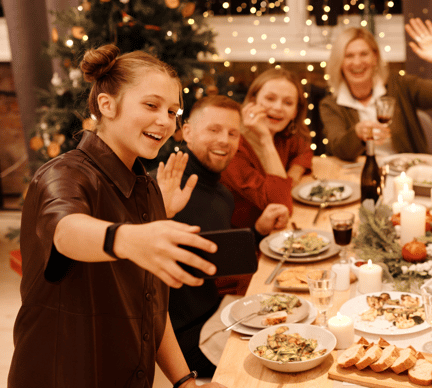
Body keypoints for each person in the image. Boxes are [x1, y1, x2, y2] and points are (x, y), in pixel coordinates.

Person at [9, 44, 225, 388]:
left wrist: (183, 381)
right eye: (151, 105)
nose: (165, 121)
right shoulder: (63, 175)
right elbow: (66, 231)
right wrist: (127, 238)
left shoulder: (147, 188)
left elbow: (151, 304)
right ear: (107, 105)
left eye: (173, 111)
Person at [163, 95, 289, 378]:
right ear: (188, 132)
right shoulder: (166, 190)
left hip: (219, 312)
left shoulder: (219, 192)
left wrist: (258, 232)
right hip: (185, 339)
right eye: (214, 130)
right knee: (283, 356)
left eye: (233, 133)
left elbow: (216, 254)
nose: (225, 140)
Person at [319, 18, 432, 161]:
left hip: (407, 172)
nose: (357, 62)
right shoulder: (330, 105)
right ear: (340, 62)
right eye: (349, 56)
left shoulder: (401, 85)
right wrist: (357, 134)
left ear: (375, 58)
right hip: (362, 173)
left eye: (364, 54)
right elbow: (339, 150)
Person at [220, 68, 313, 230]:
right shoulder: (232, 146)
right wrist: (265, 140)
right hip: (245, 239)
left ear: (295, 112)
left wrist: (293, 174)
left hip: (274, 231)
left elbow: (304, 150)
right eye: (270, 99)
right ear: (253, 101)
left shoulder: (282, 134)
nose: (278, 107)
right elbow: (280, 206)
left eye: (288, 103)